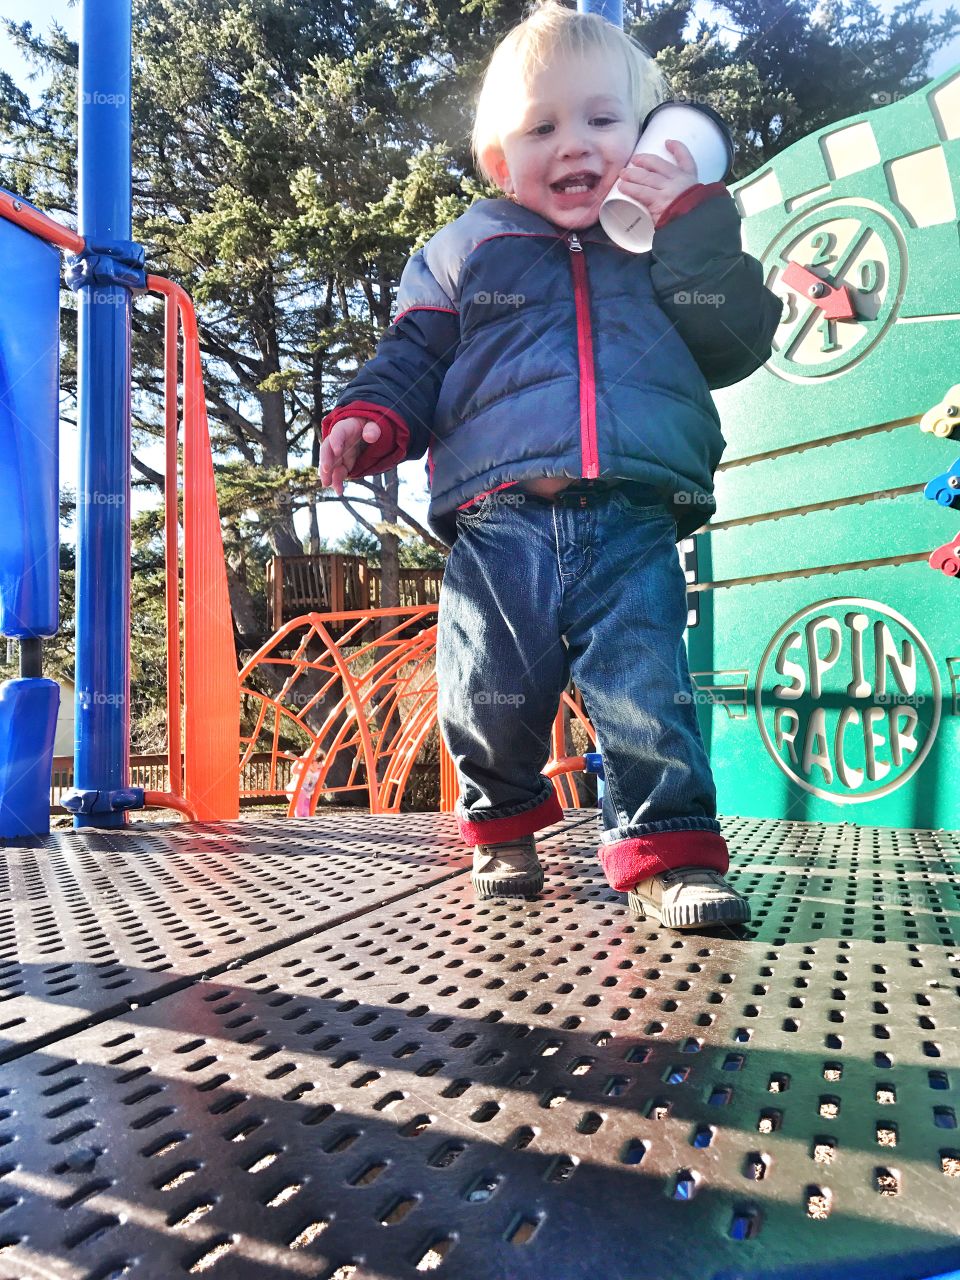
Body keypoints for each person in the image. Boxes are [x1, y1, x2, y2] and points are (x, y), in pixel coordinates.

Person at [319, 0, 782, 930]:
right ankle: (505, 828)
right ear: (501, 161)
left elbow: (733, 339)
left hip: (629, 514)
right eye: (543, 126)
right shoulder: (466, 249)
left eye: (604, 120)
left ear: (646, 137)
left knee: (645, 685)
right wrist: (372, 415)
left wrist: (690, 218)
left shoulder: (657, 241)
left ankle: (669, 852)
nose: (576, 143)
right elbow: (414, 356)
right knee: (487, 689)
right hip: (500, 522)